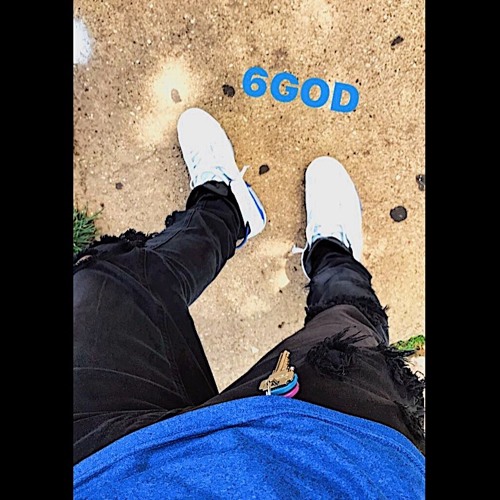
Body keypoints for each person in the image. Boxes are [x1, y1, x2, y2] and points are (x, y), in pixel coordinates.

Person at [73, 108, 425, 498]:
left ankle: (224, 208)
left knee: (107, 284)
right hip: (329, 463)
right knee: (348, 334)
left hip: (99, 468)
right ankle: (333, 256)